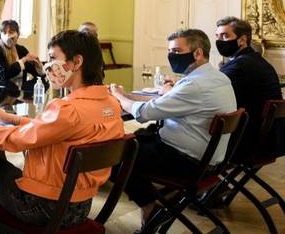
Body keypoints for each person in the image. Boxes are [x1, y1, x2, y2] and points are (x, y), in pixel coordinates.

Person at [0, 30, 124, 229]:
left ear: (77, 62)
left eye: (52, 58)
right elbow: (52, 128)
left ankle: (3, 222)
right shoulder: (111, 104)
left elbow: (17, 140)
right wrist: (10, 118)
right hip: (82, 206)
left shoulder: (67, 109)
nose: (47, 65)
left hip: (44, 209)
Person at [109, 28, 236, 231]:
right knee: (134, 140)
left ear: (197, 53)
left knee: (115, 154)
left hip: (187, 162)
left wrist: (118, 95)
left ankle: (149, 206)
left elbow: (143, 113)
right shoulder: (217, 77)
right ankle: (155, 201)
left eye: (176, 51)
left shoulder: (194, 85)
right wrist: (130, 96)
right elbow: (167, 101)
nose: (171, 56)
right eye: (169, 51)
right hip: (209, 160)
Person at [215, 16, 282, 159]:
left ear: (242, 40)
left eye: (225, 36)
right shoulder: (257, 60)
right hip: (270, 140)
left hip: (248, 143)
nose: (219, 41)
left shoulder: (239, 66)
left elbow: (211, 91)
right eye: (217, 36)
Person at [0, 19, 45, 106]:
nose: (7, 35)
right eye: (4, 32)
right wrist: (23, 60)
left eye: (11, 32)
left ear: (17, 35)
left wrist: (38, 66)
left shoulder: (20, 49)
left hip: (16, 90)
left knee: (43, 85)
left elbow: (38, 76)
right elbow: (4, 74)